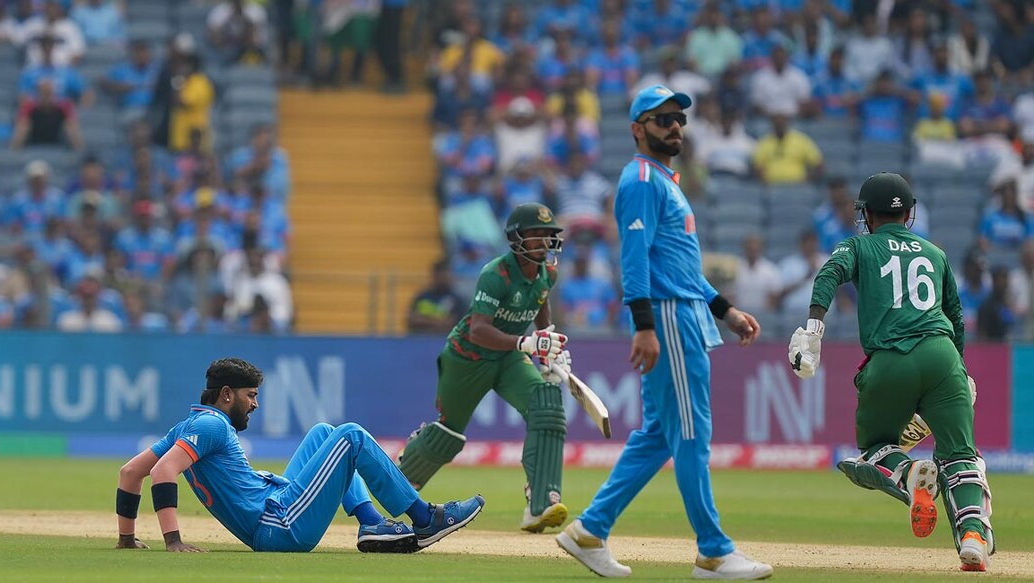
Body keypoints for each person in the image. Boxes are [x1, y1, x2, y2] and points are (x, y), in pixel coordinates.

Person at [556, 84, 772, 580]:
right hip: (670, 319)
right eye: (662, 119)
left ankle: (590, 531)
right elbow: (633, 261)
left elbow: (679, 266)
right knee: (692, 434)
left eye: (679, 119)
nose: (675, 126)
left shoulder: (664, 180)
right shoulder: (640, 182)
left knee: (658, 435)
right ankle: (714, 551)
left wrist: (726, 310)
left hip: (685, 313)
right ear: (637, 129)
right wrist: (645, 327)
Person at [788, 173, 995, 572]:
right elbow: (955, 316)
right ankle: (972, 537)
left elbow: (829, 274)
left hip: (890, 361)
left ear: (866, 214)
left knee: (876, 448)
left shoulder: (859, 245)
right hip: (942, 356)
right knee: (961, 456)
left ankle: (908, 473)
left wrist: (814, 328)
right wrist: (961, 370)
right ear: (910, 213)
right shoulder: (935, 253)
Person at [114, 357, 484, 553]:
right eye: (251, 395)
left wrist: (127, 538)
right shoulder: (213, 427)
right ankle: (425, 517)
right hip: (280, 525)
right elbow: (163, 472)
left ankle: (371, 523)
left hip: (274, 508)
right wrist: (173, 540)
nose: (255, 404)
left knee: (323, 434)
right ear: (226, 394)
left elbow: (130, 473)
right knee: (351, 435)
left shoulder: (187, 426)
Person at [398, 202, 572, 534]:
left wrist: (548, 344)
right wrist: (526, 343)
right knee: (447, 435)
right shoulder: (496, 274)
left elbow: (541, 300)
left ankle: (541, 502)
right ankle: (400, 478)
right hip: (467, 357)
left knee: (546, 406)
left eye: (549, 236)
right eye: (536, 235)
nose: (544, 242)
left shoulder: (548, 272)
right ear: (517, 238)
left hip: (507, 359)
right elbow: (478, 329)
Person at [406, 259, 464, 334]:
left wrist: (425, 321)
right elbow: (412, 319)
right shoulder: (422, 297)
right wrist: (438, 322)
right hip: (421, 339)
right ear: (434, 275)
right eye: (441, 275)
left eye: (446, 274)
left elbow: (454, 323)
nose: (444, 278)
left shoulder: (456, 300)